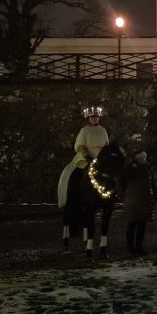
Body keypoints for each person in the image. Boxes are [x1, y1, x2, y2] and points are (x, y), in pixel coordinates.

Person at [58, 106, 110, 247]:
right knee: (76, 176)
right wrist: (87, 156)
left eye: (96, 117)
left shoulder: (103, 131)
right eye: (92, 117)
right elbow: (80, 146)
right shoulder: (84, 131)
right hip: (85, 159)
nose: (95, 119)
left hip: (100, 161)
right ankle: (71, 194)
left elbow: (106, 146)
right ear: (89, 118)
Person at [122, 150, 157, 256]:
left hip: (145, 200)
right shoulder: (131, 168)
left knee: (141, 225)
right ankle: (131, 248)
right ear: (138, 159)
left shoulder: (147, 169)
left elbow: (153, 183)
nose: (144, 160)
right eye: (142, 158)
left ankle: (139, 247)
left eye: (145, 158)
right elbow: (124, 180)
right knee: (132, 224)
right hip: (134, 200)